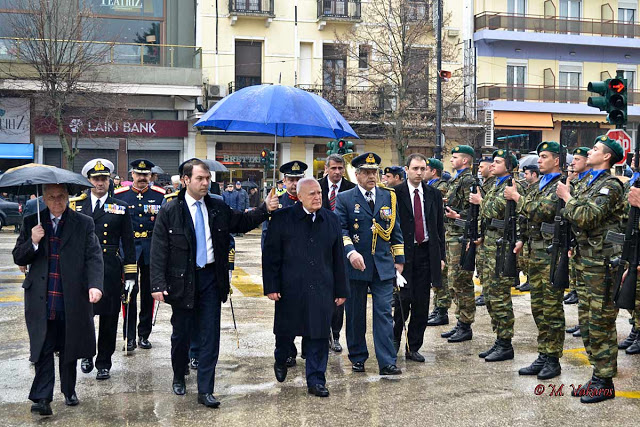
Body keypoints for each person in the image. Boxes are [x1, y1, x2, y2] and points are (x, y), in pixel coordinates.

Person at [150, 159, 278, 408]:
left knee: (210, 335)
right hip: (183, 280)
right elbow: (159, 250)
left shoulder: (217, 207)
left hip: (210, 278)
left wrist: (265, 209)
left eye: (208, 179)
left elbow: (241, 222)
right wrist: (157, 284)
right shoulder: (170, 210)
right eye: (200, 178)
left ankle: (206, 389)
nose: (205, 183)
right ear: (186, 180)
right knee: (181, 334)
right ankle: (179, 374)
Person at [13, 183, 104, 416]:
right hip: (41, 297)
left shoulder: (83, 223)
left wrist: (95, 285)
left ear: (68, 197)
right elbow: (18, 257)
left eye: (61, 197)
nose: (57, 201)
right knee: (43, 346)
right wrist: (32, 241)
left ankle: (69, 389)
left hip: (70, 295)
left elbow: (93, 256)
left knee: (68, 345)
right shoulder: (31, 221)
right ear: (43, 198)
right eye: (52, 197)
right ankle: (42, 397)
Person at [263, 178, 349, 397]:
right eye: (311, 194)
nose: (317, 197)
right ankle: (281, 358)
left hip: (321, 288)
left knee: (319, 335)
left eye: (319, 192)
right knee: (285, 332)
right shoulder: (282, 218)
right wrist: (271, 286)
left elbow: (338, 257)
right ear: (299, 197)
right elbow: (271, 255)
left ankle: (316, 379)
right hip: (290, 288)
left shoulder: (331, 219)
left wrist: (341, 290)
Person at [557, 136, 624, 403]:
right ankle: (597, 376)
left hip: (602, 263)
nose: (590, 152)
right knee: (586, 320)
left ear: (606, 157)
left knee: (601, 321)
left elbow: (586, 216)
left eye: (595, 150)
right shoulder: (588, 182)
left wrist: (568, 197)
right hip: (585, 259)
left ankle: (605, 381)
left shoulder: (610, 186)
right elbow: (570, 217)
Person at [335, 152, 404, 375]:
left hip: (382, 264)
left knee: (384, 313)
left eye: (374, 172)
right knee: (355, 313)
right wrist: (350, 252)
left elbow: (395, 230)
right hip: (356, 265)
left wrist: (399, 260)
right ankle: (357, 356)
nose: (371, 176)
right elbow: (341, 230)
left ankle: (387, 361)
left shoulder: (388, 197)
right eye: (366, 172)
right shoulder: (345, 198)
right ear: (357, 174)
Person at [506, 141, 566, 381]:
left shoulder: (559, 185)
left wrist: (518, 197)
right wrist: (521, 238)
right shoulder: (540, 185)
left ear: (556, 161)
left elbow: (542, 210)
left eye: (544, 156)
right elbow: (527, 215)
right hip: (535, 252)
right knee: (538, 307)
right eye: (539, 156)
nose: (538, 160)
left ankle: (553, 358)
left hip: (551, 254)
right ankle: (543, 352)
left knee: (552, 308)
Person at [72, 159, 137, 381]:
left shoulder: (120, 206)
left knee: (109, 318)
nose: (100, 183)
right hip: (84, 267)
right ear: (88, 181)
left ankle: (104, 362)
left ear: (110, 181)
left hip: (110, 267)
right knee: (85, 315)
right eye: (96, 179)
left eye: (104, 179)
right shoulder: (76, 206)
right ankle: (87, 354)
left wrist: (130, 274)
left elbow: (129, 242)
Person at [392, 154, 445, 362]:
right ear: (406, 169)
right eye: (415, 168)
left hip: (426, 252)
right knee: (403, 300)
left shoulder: (433, 194)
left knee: (422, 303)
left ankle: (413, 346)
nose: (419, 172)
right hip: (404, 254)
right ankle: (395, 342)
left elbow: (439, 227)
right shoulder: (395, 193)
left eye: (423, 168)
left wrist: (440, 256)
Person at [472, 150, 522, 361]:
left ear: (509, 167)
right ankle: (499, 340)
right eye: (492, 161)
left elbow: (493, 210)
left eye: (498, 162)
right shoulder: (494, 185)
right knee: (490, 296)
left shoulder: (510, 186)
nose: (492, 164)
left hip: (501, 248)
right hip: (490, 245)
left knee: (500, 297)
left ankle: (505, 343)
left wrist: (480, 201)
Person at [114, 159, 166, 351]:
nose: (142, 178)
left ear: (150, 176)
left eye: (146, 175)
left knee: (149, 294)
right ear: (132, 175)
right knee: (128, 291)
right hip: (129, 250)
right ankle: (129, 336)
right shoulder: (120, 195)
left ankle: (144, 334)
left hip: (151, 250)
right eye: (139, 174)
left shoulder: (160, 196)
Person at [319, 153, 356, 352]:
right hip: (320, 248)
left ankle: (335, 334)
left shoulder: (351, 190)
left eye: (340, 168)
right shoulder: (317, 187)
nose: (337, 172)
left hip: (342, 249)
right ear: (326, 168)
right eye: (333, 168)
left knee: (340, 294)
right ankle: (321, 333)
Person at [441, 145, 476, 342]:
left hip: (461, 236)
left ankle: (466, 324)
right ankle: (460, 322)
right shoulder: (457, 179)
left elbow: (473, 210)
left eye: (455, 157)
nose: (452, 160)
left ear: (465, 160)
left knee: (461, 281)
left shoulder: (468, 180)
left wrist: (457, 215)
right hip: (451, 234)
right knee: (452, 281)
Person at [424, 158, 451, 326]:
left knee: (442, 274)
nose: (422, 172)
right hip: (438, 235)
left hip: (444, 235)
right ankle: (438, 308)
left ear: (433, 171)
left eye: (424, 168)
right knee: (436, 274)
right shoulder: (431, 187)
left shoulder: (440, 188)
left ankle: (442, 310)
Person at [475, 156, 496, 306]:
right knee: (482, 264)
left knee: (488, 267)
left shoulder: (493, 185)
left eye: (482, 167)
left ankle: (486, 292)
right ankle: (485, 291)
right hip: (484, 231)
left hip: (494, 233)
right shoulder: (486, 184)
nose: (479, 170)